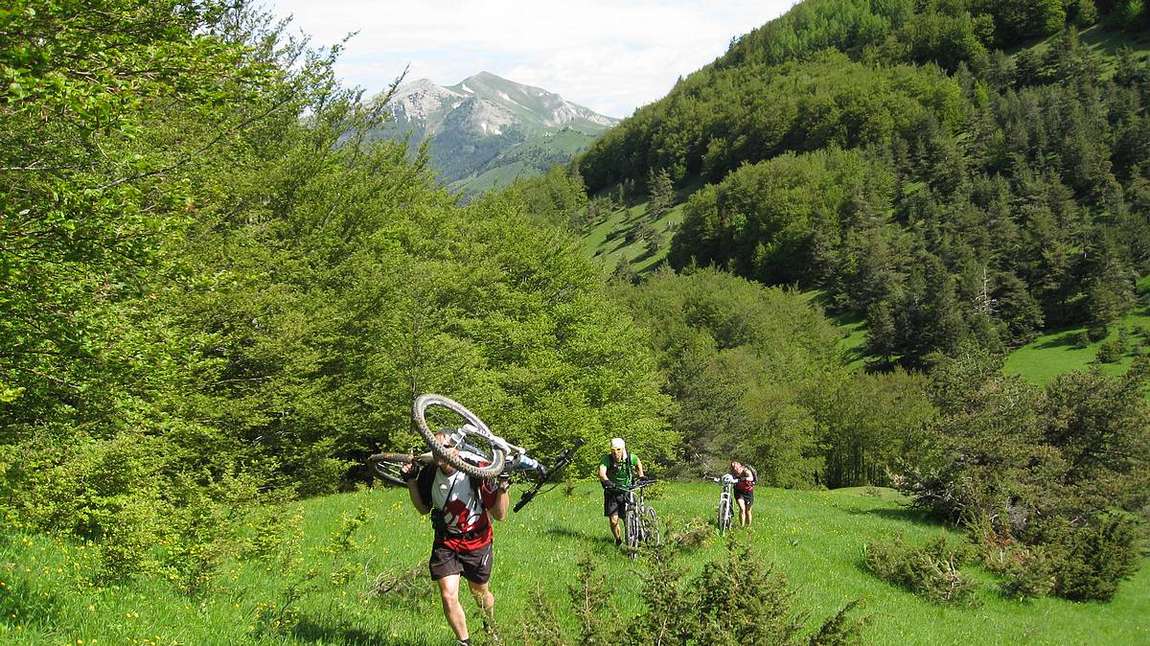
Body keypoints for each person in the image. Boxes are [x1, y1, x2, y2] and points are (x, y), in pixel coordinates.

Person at [402, 431, 509, 646]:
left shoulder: (475, 471)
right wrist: (411, 481)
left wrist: (503, 487)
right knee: (448, 595)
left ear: (457, 448)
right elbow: (423, 508)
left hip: (477, 541)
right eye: (435, 447)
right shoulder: (430, 473)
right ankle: (464, 642)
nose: (440, 451)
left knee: (479, 593)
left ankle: (490, 623)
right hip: (447, 542)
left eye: (445, 446)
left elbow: (500, 515)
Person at [598, 437, 644, 547]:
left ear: (623, 449)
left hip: (626, 490)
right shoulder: (606, 459)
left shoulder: (630, 457)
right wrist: (607, 481)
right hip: (612, 491)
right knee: (614, 521)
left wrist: (641, 475)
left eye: (618, 450)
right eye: (613, 450)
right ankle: (618, 539)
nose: (616, 453)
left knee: (627, 517)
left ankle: (633, 536)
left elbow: (637, 463)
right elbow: (601, 472)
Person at [729, 461, 756, 527]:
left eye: (736, 467)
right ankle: (742, 526)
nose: (735, 469)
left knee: (748, 510)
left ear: (740, 466)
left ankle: (748, 527)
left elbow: (751, 478)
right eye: (733, 468)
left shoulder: (746, 470)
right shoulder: (733, 473)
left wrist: (743, 479)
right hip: (738, 491)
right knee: (742, 508)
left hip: (748, 492)